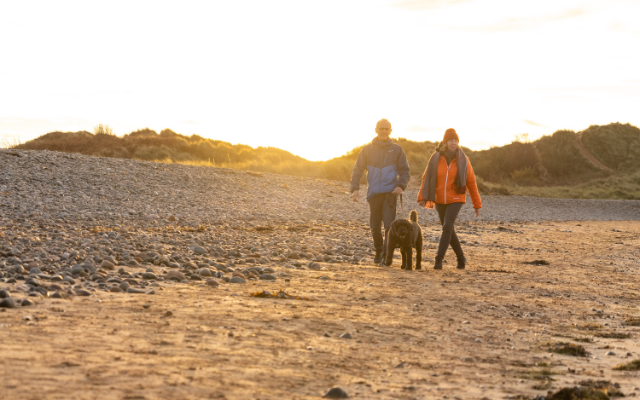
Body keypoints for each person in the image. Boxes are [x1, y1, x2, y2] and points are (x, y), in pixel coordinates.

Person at [417, 128, 482, 269]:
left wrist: (477, 204)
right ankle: (461, 258)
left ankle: (439, 259)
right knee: (449, 230)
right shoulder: (436, 158)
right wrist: (422, 196)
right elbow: (426, 177)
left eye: (456, 141)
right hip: (439, 198)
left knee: (447, 226)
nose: (454, 143)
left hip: (456, 198)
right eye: (451, 140)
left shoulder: (464, 160)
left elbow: (471, 182)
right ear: (445, 142)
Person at [351, 119, 411, 265]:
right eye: (381, 129)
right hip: (373, 194)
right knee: (374, 226)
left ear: (390, 131)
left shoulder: (397, 150)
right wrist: (355, 189)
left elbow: (405, 171)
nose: (384, 131)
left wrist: (400, 186)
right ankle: (378, 250)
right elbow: (357, 170)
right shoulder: (367, 150)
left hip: (390, 193)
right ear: (376, 130)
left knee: (389, 226)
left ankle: (386, 253)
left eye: (387, 129)